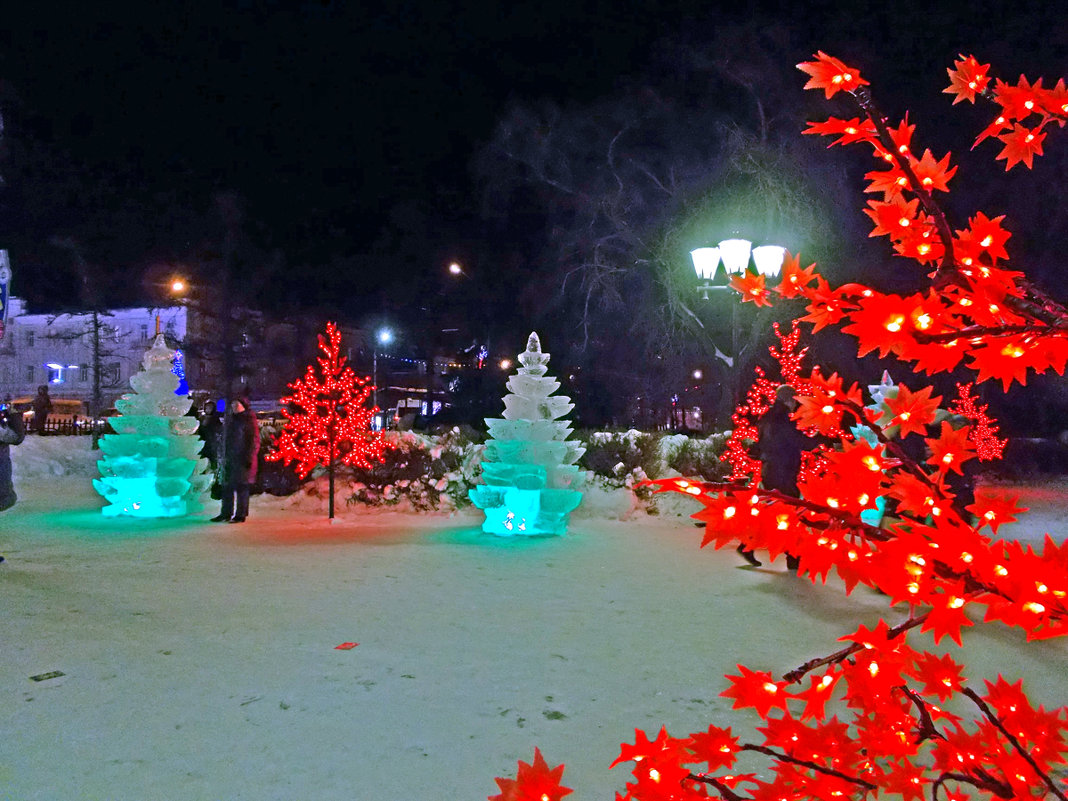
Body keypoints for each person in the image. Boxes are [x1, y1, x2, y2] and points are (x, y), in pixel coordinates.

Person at [746, 384, 808, 570]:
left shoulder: (766, 418)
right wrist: (820, 440)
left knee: (773, 512)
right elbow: (796, 441)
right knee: (790, 512)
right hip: (783, 471)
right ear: (788, 400)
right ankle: (793, 557)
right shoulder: (782, 419)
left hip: (771, 469)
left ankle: (748, 546)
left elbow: (763, 443)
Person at [212, 396, 260, 523]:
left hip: (242, 460)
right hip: (230, 459)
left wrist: (249, 458)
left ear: (243, 406)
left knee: (241, 487)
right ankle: (225, 513)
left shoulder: (248, 420)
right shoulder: (231, 420)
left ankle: (240, 514)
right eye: (232, 405)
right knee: (227, 487)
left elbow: (253, 440)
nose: (234, 407)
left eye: (237, 404)